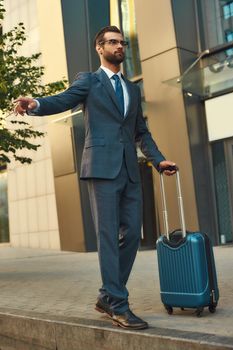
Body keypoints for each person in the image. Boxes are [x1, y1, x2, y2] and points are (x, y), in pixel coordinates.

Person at [14, 26, 176, 330]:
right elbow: (62, 100)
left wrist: (158, 160)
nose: (120, 47)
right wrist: (34, 103)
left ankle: (106, 296)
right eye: (113, 42)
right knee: (107, 237)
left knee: (131, 236)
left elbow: (141, 131)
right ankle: (118, 304)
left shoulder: (132, 89)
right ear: (99, 48)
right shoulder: (89, 81)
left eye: (122, 43)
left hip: (129, 170)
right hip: (101, 168)